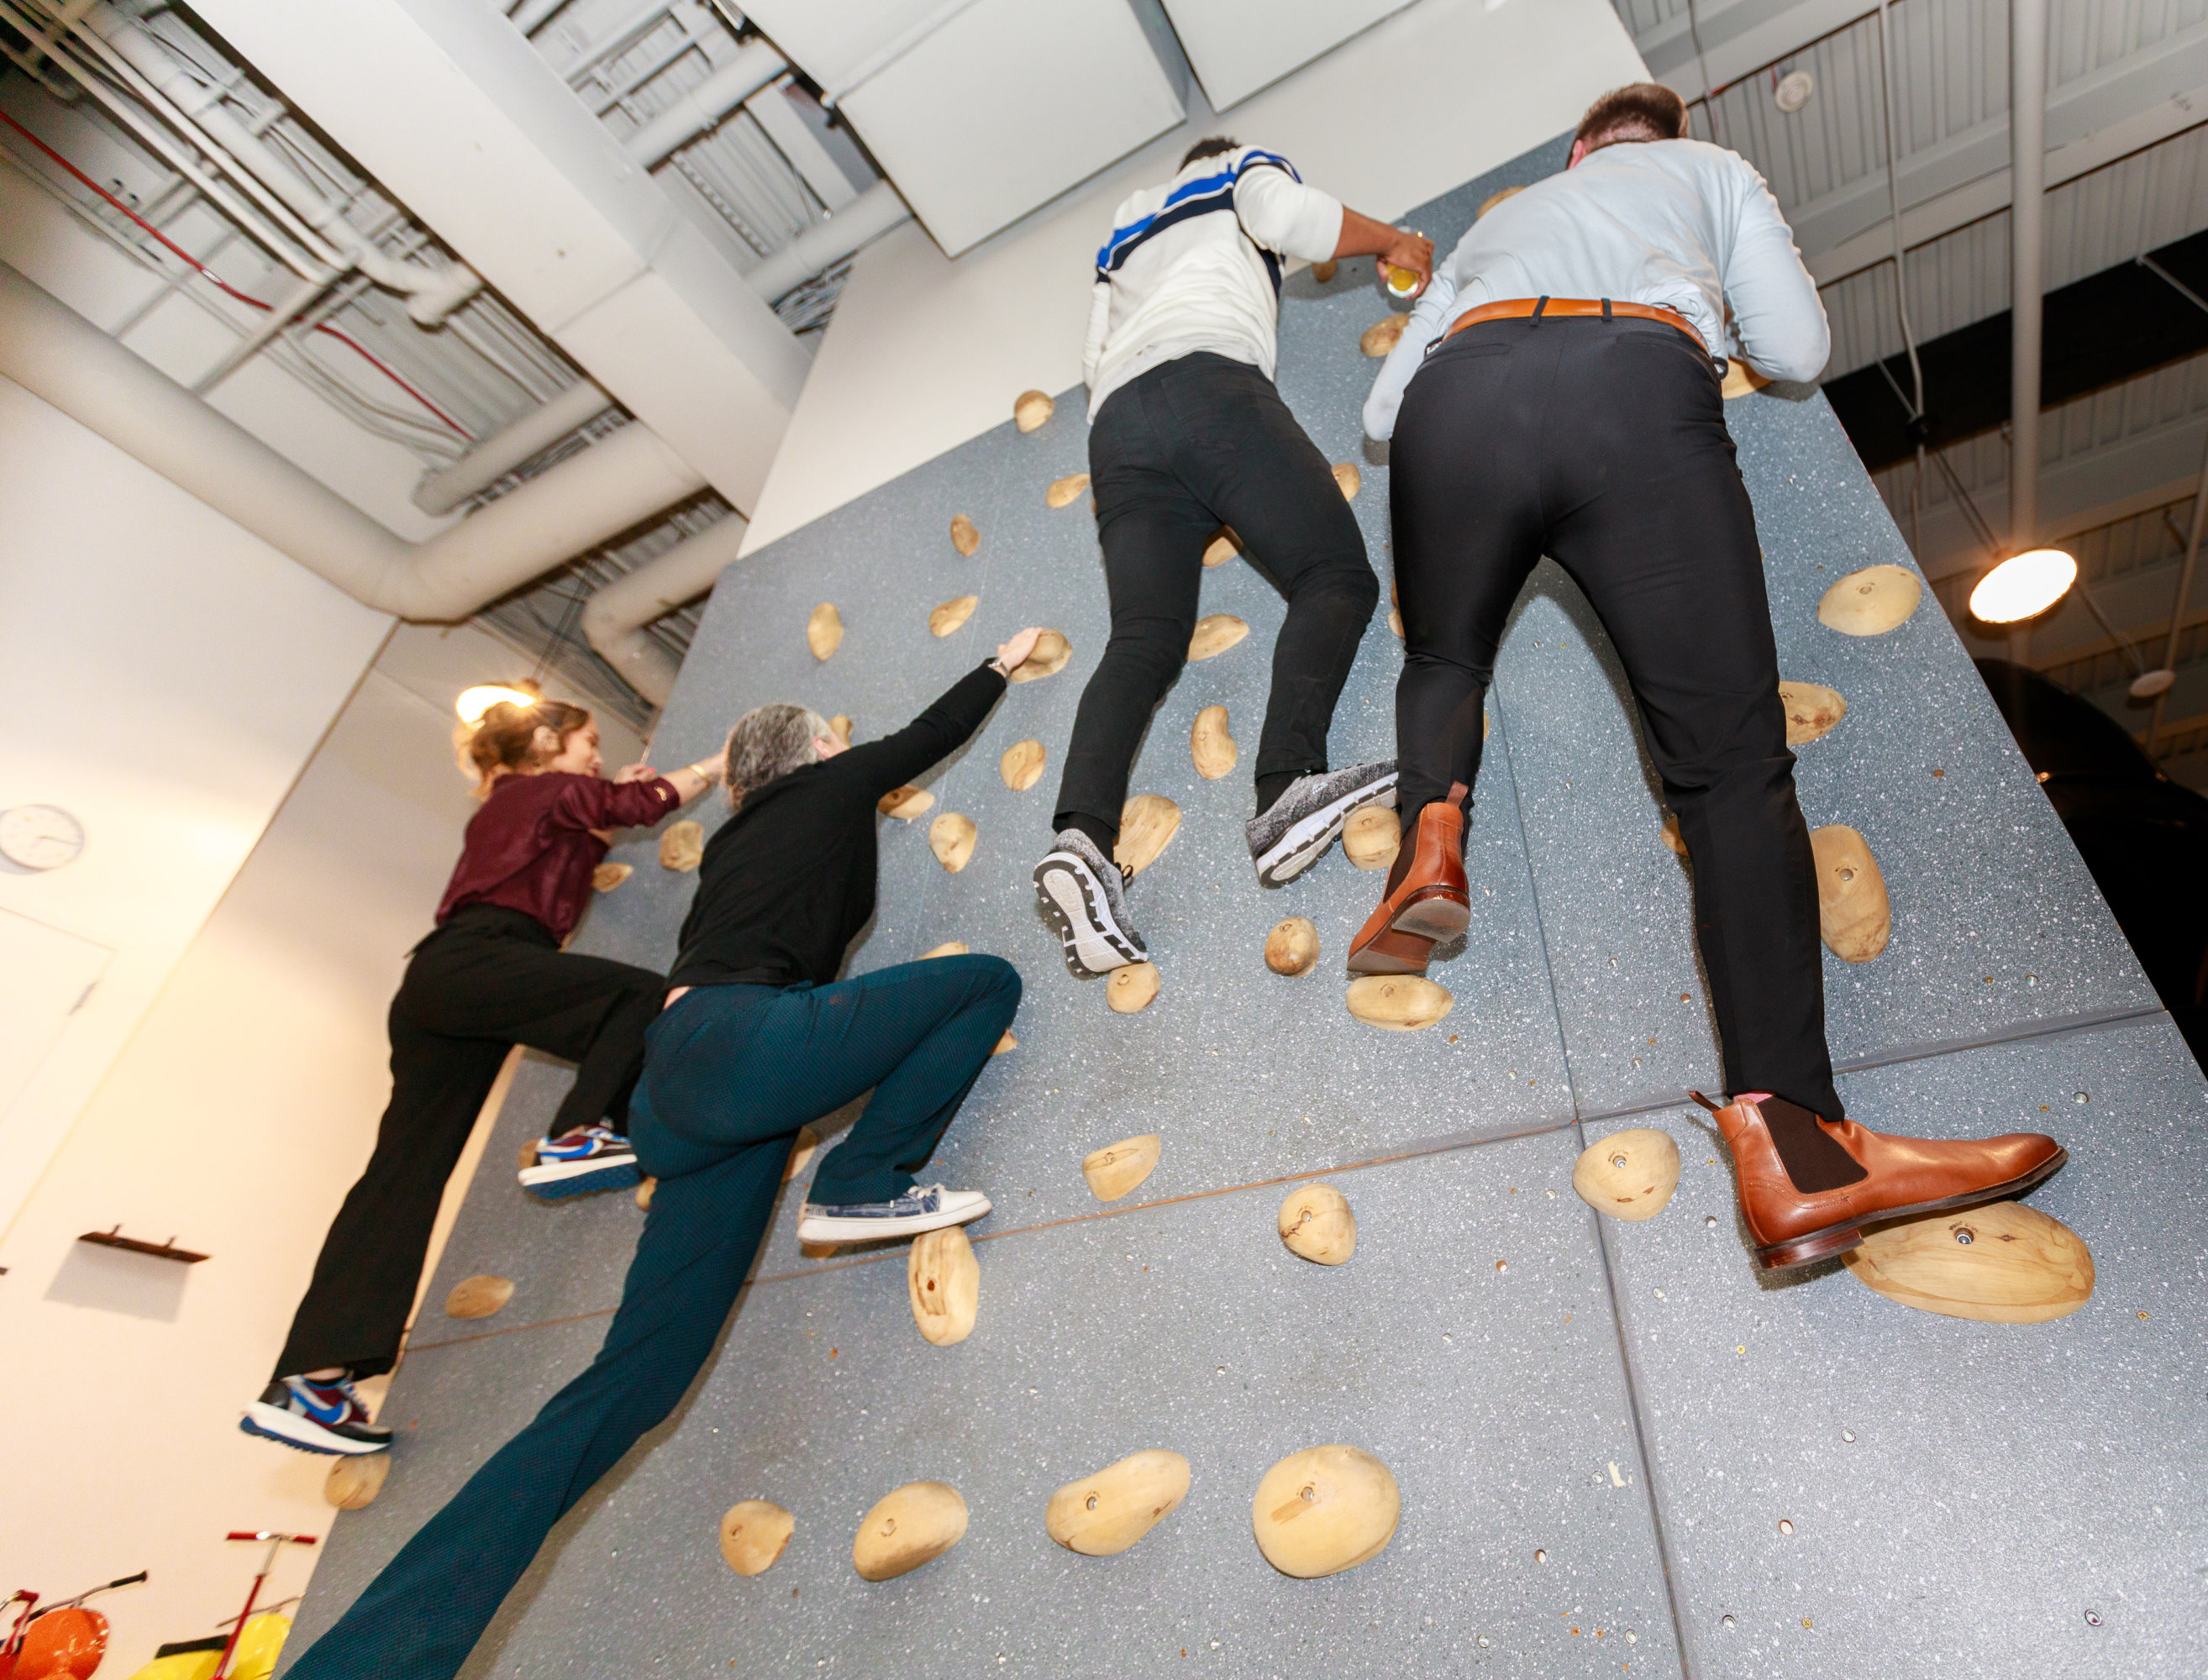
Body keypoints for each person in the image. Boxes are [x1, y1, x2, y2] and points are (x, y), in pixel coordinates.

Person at [1353, 84, 2063, 1269]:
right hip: (1630, 385)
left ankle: (1430, 831)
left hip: (1454, 402)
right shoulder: (1715, 172)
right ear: (1661, 146)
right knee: (1730, 775)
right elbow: (1796, 352)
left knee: (1442, 653)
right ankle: (1801, 1150)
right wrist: (1702, 311)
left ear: (1580, 150)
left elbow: (1384, 410)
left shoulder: (1505, 219)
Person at [281, 633, 1032, 1680]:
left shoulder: (734, 843)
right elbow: (930, 733)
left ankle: (363, 1663)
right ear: (814, 754)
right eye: (833, 739)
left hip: (690, 1095)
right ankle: (860, 1181)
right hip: (742, 1049)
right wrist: (1002, 660)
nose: (845, 746)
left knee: (632, 1383)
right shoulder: (828, 785)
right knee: (982, 979)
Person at [243, 695, 721, 1457]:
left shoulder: (524, 806)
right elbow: (636, 803)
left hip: (447, 982)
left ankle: (311, 1380)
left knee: (404, 1174)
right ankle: (578, 1137)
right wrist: (721, 763)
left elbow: (576, 839)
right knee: (635, 997)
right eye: (587, 743)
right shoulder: (539, 789)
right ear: (543, 740)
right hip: (480, 959)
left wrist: (597, 819)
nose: (595, 756)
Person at [1032, 135, 1438, 977]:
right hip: (1206, 379)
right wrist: (1393, 241)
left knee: (1142, 642)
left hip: (1116, 429)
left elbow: (1089, 354)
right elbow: (1282, 213)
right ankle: (1285, 785)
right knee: (1334, 576)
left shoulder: (1123, 223)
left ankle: (1082, 841)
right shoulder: (1232, 169)